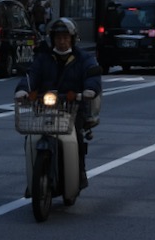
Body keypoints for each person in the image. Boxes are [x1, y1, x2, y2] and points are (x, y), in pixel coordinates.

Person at [15, 17, 101, 190]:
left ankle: (79, 173)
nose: (62, 41)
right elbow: (31, 75)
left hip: (73, 108)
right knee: (30, 138)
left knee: (76, 135)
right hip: (45, 107)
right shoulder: (43, 58)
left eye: (65, 37)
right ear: (52, 39)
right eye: (58, 37)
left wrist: (89, 90)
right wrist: (23, 90)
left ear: (72, 39)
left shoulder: (83, 58)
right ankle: (34, 179)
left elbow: (92, 75)